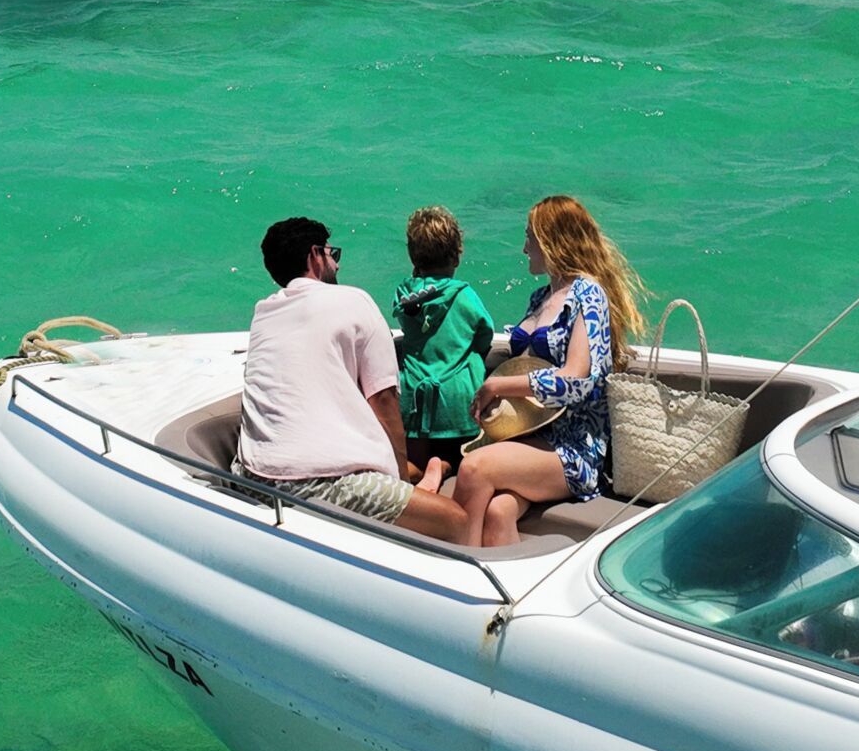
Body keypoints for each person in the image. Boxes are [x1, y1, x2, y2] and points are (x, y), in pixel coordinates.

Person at [237, 216, 468, 541]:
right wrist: (400, 484)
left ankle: (429, 473)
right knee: (457, 520)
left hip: (249, 475)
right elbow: (385, 402)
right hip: (315, 482)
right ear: (315, 255)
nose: (337, 265)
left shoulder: (264, 312)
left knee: (404, 474)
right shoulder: (352, 299)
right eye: (334, 255)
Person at [451, 194, 647, 548]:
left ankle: (455, 574)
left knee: (474, 469)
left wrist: (499, 387)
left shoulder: (589, 294)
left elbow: (576, 381)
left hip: (574, 449)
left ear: (551, 240)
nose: (524, 248)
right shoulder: (540, 297)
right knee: (498, 512)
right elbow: (528, 367)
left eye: (529, 236)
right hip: (534, 436)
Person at [392, 206, 495, 472]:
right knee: (465, 458)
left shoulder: (405, 295)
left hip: (414, 396)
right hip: (458, 398)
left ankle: (422, 475)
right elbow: (485, 333)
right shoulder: (464, 295)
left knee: (413, 463)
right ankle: (446, 467)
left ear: (413, 256)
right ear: (456, 256)